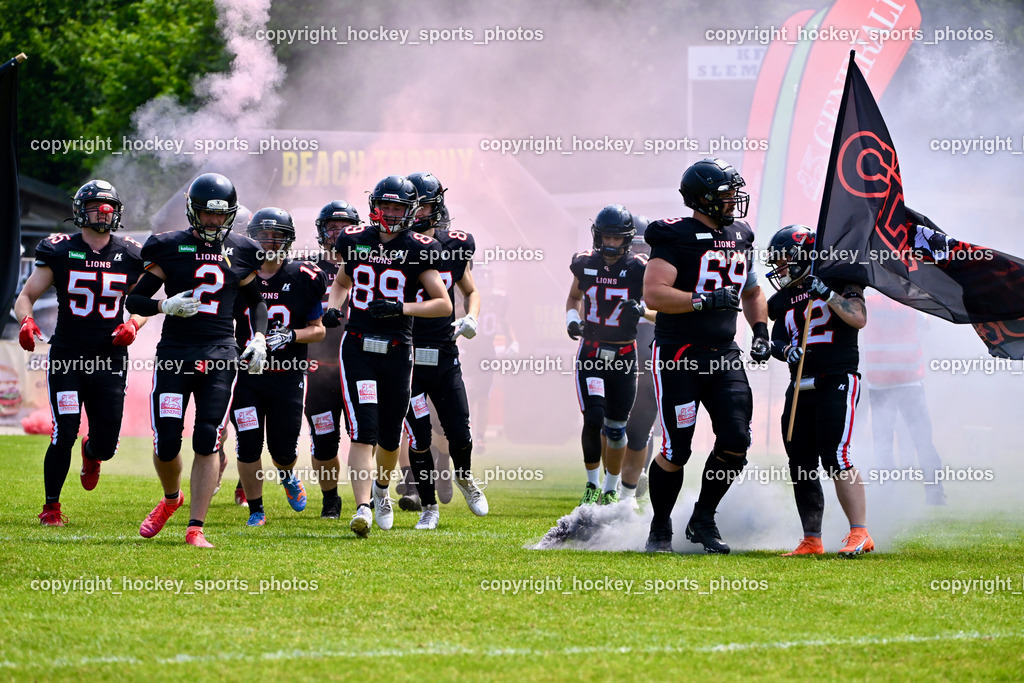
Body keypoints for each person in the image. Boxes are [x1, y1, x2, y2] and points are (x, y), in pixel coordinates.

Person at [126, 172, 268, 548]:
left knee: (208, 437)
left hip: (220, 352)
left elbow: (257, 301)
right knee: (167, 441)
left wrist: (259, 336)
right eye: (206, 214)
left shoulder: (242, 249)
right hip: (175, 353)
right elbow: (134, 300)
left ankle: (195, 527)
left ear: (231, 214)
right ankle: (172, 498)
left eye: (220, 215)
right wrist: (163, 305)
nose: (213, 221)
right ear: (192, 212)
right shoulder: (168, 246)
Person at [642, 157, 770, 554]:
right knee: (676, 449)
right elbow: (654, 294)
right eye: (725, 193)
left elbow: (751, 291)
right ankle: (660, 525)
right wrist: (703, 300)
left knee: (736, 439)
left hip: (724, 354)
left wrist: (761, 331)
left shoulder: (741, 235)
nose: (734, 200)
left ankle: (703, 517)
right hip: (680, 353)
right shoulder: (674, 236)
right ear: (702, 198)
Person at [322, 175, 452, 537]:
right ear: (374, 206)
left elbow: (443, 304)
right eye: (387, 206)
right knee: (364, 430)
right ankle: (362, 506)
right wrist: (333, 308)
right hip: (358, 346)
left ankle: (381, 491)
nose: (392, 214)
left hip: (397, 350)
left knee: (392, 437)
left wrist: (401, 308)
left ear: (409, 211)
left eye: (399, 208)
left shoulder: (418, 248)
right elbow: (342, 283)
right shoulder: (356, 240)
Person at [15, 180, 147, 525]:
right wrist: (26, 321)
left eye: (109, 206)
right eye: (95, 206)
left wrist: (133, 323)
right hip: (68, 356)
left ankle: (92, 454)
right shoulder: (59, 249)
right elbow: (26, 296)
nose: (103, 213)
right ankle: (51, 507)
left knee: (106, 444)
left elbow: (143, 304)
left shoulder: (130, 253)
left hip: (109, 357)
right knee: (65, 430)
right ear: (79, 211)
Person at [765, 224, 874, 557]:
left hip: (837, 377)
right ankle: (811, 539)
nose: (780, 268)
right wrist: (785, 351)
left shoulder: (839, 280)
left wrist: (826, 292)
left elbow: (858, 318)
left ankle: (860, 533)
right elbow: (778, 339)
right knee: (800, 461)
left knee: (835, 456)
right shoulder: (781, 300)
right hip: (800, 382)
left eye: (785, 260)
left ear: (803, 255)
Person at [231, 207, 327, 526]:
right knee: (247, 444)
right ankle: (257, 508)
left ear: (288, 241)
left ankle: (287, 475)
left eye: (277, 237)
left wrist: (291, 334)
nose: (269, 244)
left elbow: (319, 329)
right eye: (262, 237)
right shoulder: (237, 273)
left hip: (288, 376)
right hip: (247, 376)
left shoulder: (304, 277)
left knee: (283, 450)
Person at [402, 172, 486, 530]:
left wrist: (472, 318)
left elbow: (471, 290)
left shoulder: (454, 245)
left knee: (460, 430)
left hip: (444, 349)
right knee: (419, 434)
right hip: (404, 351)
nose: (416, 212)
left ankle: (464, 477)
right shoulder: (391, 247)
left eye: (421, 204)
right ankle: (429, 507)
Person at [566, 204, 649, 508]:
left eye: (616, 239)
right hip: (591, 351)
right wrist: (571, 320)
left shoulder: (640, 268)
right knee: (594, 417)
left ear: (627, 239)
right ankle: (591, 484)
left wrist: (643, 310)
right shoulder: (585, 264)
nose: (610, 244)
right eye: (606, 237)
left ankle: (611, 488)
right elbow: (574, 297)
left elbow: (659, 309)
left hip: (625, 355)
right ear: (597, 236)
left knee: (616, 429)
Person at [302, 200, 360, 519]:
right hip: (318, 369)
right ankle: (330, 500)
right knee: (324, 442)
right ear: (321, 231)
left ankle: (371, 498)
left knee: (365, 437)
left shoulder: (368, 265)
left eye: (344, 227)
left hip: (357, 366)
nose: (337, 234)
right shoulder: (306, 270)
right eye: (332, 227)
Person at [861, 292, 946, 505]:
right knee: (923, 441)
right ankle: (935, 495)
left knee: (883, 444)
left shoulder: (868, 303)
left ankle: (886, 495)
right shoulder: (911, 301)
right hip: (909, 381)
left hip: (879, 383)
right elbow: (927, 325)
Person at [622, 214, 658, 506]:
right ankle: (618, 477)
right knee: (616, 416)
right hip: (621, 347)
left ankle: (641, 471)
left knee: (647, 417)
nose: (638, 254)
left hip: (649, 347)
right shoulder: (615, 271)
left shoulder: (660, 271)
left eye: (642, 247)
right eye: (633, 246)